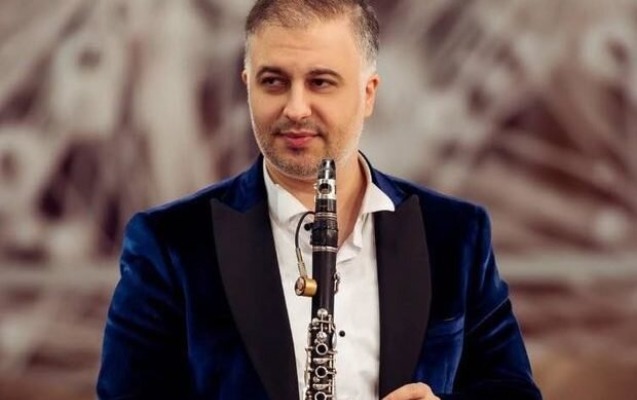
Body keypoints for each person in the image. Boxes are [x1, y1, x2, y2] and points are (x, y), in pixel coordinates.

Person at [97, 0, 542, 399]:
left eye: (321, 82)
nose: (295, 108)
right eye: (274, 82)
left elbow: (514, 392)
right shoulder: (168, 243)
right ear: (248, 85)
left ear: (368, 93)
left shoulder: (455, 234)